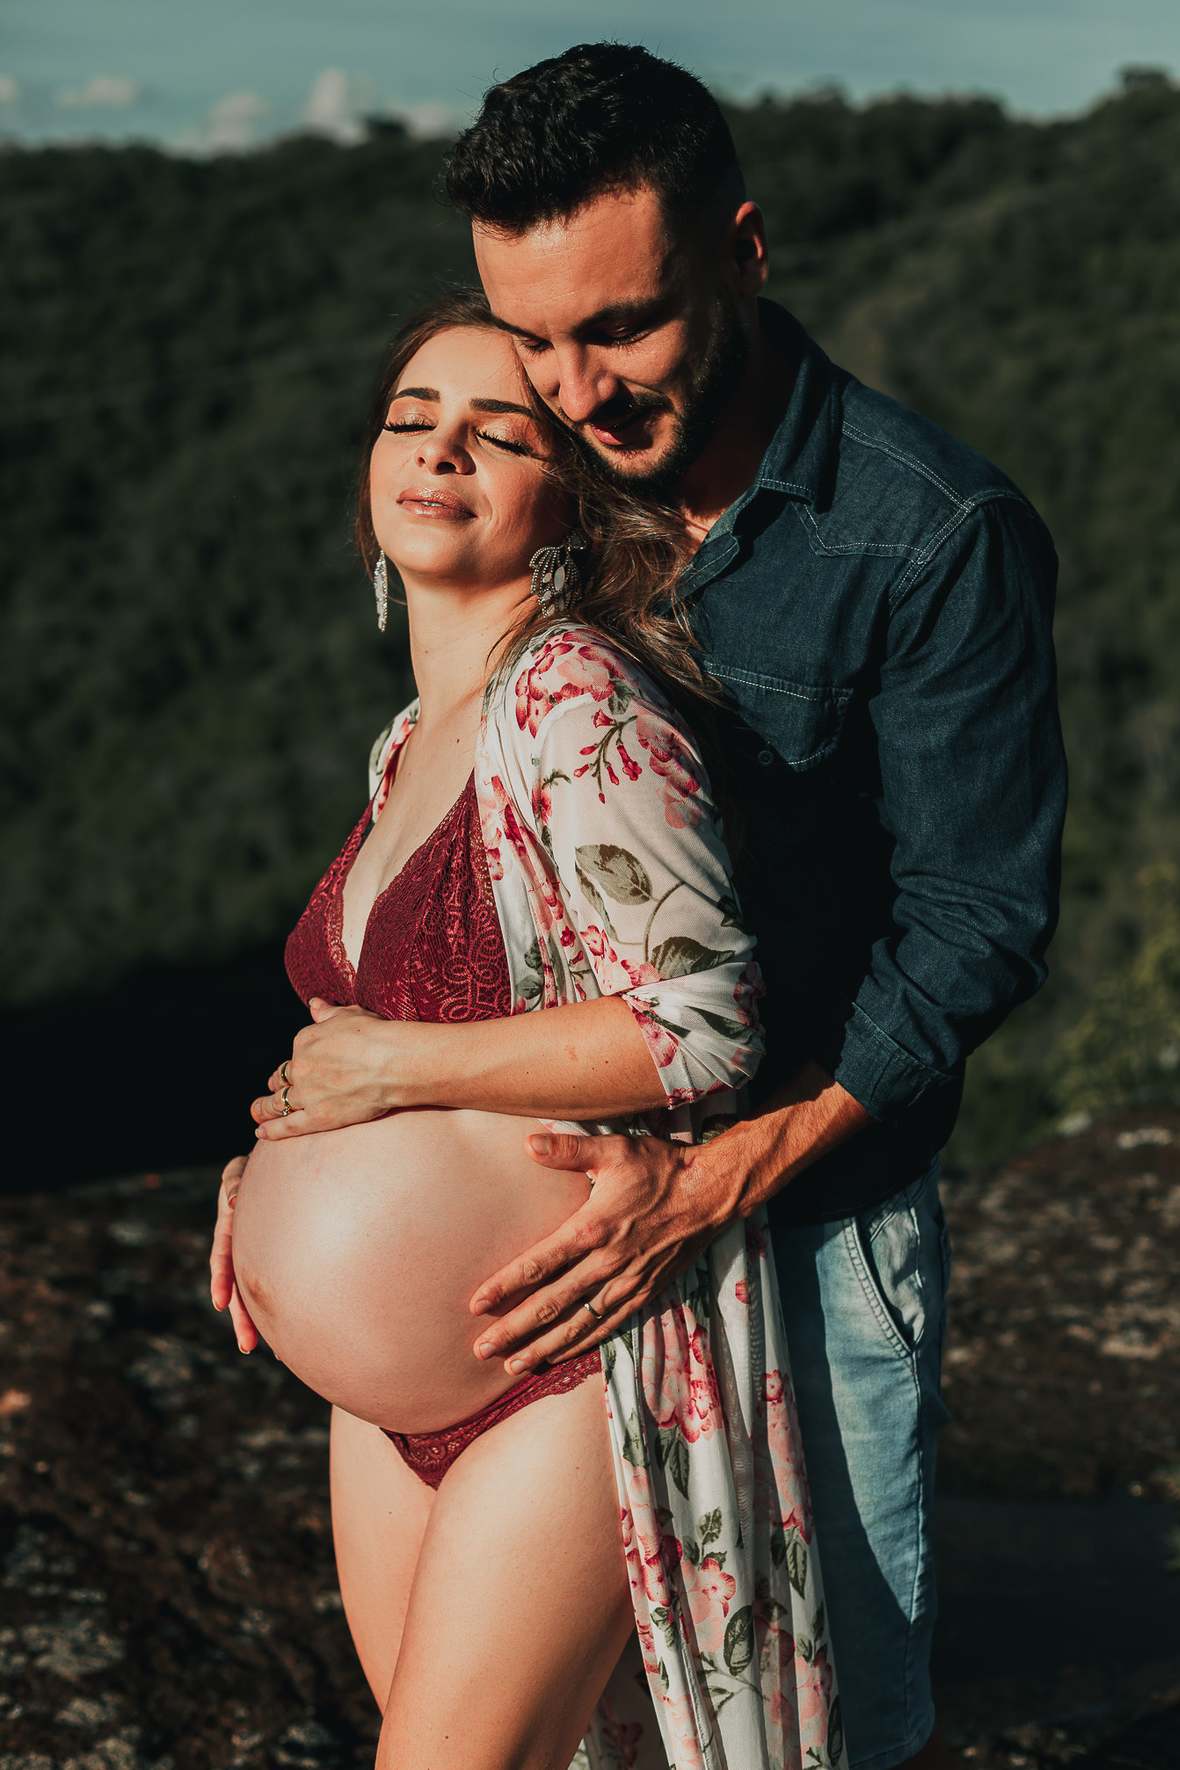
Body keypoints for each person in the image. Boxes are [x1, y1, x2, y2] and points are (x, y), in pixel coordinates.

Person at [240, 45, 1066, 1770]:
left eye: (622, 325)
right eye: (529, 339)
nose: (574, 387)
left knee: (805, 1737)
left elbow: (976, 922)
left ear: (744, 252)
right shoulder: (546, 524)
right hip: (515, 1285)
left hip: (807, 1223)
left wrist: (714, 1179)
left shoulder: (924, 537)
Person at [212, 292, 842, 1769]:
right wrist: (275, 1157)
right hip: (391, 1404)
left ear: (568, 497)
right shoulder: (411, 735)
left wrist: (400, 1069)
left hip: (566, 1356)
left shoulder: (571, 697)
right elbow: (352, 1029)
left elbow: (702, 1023)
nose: (441, 452)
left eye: (497, 432)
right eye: (412, 420)